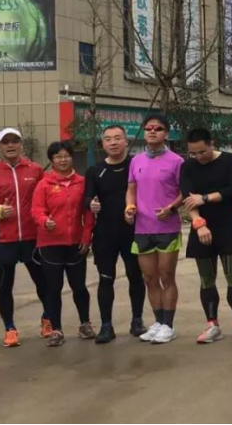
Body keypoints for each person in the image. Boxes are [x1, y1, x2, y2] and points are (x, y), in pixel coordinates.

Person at [0, 127, 49, 347]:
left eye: (14, 141)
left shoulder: (35, 170)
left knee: (43, 282)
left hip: (32, 237)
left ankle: (48, 319)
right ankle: (9, 328)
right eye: (5, 142)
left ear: (21, 144)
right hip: (3, 239)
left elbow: (46, 196)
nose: (10, 145)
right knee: (4, 285)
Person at [181, 128, 232, 345]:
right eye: (193, 153)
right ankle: (212, 324)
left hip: (227, 226)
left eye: (202, 152)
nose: (198, 157)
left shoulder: (229, 161)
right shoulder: (187, 166)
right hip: (201, 227)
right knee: (206, 279)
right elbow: (188, 198)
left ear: (211, 144)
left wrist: (205, 198)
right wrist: (199, 224)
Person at [84, 125, 147, 344]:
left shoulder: (136, 165)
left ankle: (137, 320)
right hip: (105, 234)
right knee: (105, 279)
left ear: (126, 141)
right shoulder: (95, 171)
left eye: (118, 138)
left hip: (133, 231)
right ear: (103, 144)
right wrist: (91, 204)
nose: (113, 143)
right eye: (108, 139)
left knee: (135, 276)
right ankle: (106, 326)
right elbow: (87, 198)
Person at [125, 113, 184, 345]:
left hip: (167, 228)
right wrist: (129, 207)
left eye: (157, 129)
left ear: (166, 134)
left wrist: (171, 208)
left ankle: (169, 325)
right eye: (148, 128)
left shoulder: (176, 161)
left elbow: (185, 192)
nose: (152, 131)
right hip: (142, 229)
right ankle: (158, 322)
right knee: (149, 278)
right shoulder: (136, 161)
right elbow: (131, 189)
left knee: (167, 276)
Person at [30, 141, 95, 347]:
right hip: (50, 245)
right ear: (52, 161)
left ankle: (85, 324)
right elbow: (36, 210)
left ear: (72, 158)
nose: (63, 160)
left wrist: (86, 238)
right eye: (58, 156)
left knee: (79, 287)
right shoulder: (44, 184)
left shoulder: (82, 183)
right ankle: (56, 329)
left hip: (76, 244)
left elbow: (88, 214)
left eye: (66, 155)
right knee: (53, 288)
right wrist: (44, 221)